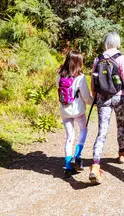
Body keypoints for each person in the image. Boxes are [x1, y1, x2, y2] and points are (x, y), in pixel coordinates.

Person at [88, 32, 124, 184]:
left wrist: (95, 94)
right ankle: (121, 153)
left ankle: (95, 165)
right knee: (121, 126)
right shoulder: (121, 58)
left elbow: (93, 79)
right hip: (119, 97)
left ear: (106, 43)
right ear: (118, 42)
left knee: (102, 131)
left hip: (102, 98)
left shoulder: (98, 58)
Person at [56, 50, 92, 178]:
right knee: (83, 130)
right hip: (78, 111)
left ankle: (68, 166)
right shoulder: (80, 77)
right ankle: (77, 156)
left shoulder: (60, 75)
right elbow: (86, 97)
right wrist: (94, 102)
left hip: (65, 111)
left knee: (69, 136)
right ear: (79, 63)